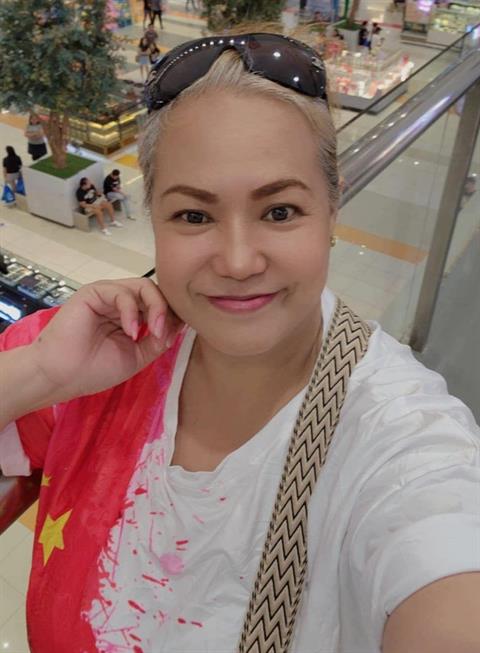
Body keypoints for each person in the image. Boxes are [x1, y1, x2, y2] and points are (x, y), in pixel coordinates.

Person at [1, 33, 479, 652]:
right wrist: (42, 374)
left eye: (279, 212)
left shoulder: (401, 441)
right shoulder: (89, 352)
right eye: (194, 216)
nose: (237, 261)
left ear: (333, 209)